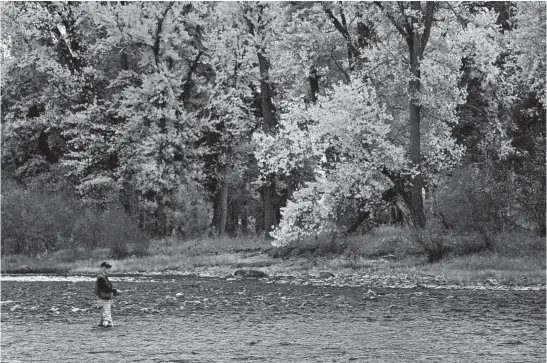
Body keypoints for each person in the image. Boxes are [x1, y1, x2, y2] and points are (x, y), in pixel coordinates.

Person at [95, 262, 121, 328]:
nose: (109, 269)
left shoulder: (103, 277)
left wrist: (114, 292)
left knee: (105, 319)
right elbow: (105, 289)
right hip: (103, 301)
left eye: (109, 268)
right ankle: (105, 335)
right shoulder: (101, 278)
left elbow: (105, 289)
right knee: (107, 320)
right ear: (103, 268)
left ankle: (102, 331)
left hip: (103, 300)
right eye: (107, 268)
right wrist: (115, 291)